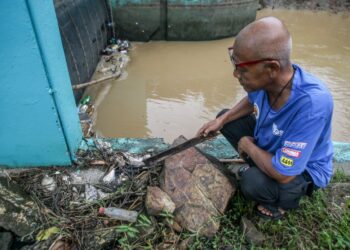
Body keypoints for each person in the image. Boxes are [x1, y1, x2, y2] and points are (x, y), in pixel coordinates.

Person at [197, 17, 333, 220]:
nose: (236, 74)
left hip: (299, 171)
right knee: (227, 118)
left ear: (271, 68)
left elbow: (284, 173)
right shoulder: (268, 82)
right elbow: (251, 100)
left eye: (242, 70)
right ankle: (260, 163)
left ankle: (283, 201)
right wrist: (222, 120)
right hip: (273, 146)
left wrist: (248, 145)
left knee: (252, 182)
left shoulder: (313, 103)